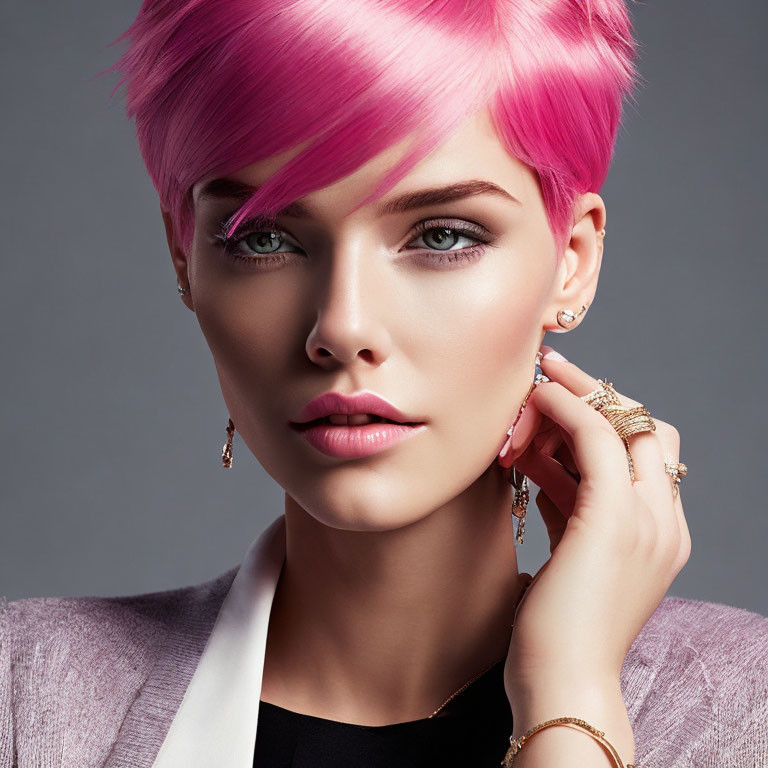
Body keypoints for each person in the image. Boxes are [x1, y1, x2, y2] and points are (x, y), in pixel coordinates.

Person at [2, 1, 767, 766]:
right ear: (185, 261)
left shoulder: (746, 712)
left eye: (442, 235)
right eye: (262, 237)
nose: (343, 326)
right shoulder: (26, 696)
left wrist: (572, 693)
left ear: (572, 260)